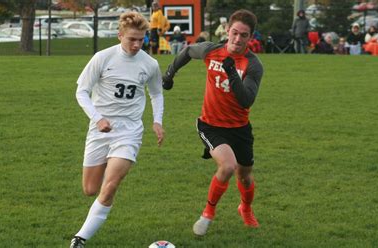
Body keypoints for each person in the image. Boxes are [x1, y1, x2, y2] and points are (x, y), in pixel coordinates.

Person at [162, 9, 263, 236]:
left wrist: (232, 72)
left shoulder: (253, 65)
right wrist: (169, 74)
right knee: (227, 166)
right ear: (227, 31)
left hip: (240, 128)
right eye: (234, 33)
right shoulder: (212, 50)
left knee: (245, 176)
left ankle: (245, 209)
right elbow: (188, 50)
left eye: (243, 35)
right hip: (211, 125)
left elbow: (246, 100)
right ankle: (208, 213)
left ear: (250, 37)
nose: (237, 39)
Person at [70, 12, 165, 248]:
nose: (136, 45)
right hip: (100, 129)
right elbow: (81, 91)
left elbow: (156, 93)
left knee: (111, 184)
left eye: (140, 40)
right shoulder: (103, 58)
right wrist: (98, 118)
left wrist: (157, 121)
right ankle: (102, 198)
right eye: (131, 39)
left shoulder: (150, 63)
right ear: (120, 35)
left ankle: (80, 239)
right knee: (90, 189)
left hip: (129, 131)